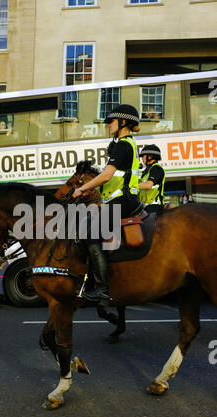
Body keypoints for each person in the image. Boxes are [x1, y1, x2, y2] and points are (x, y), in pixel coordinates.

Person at [72, 104, 141, 306]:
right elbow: (114, 179)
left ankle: (102, 288)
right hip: (122, 199)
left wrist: (82, 189)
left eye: (111, 121)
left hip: (124, 200)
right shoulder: (128, 144)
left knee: (89, 233)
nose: (108, 124)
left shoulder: (123, 144)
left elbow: (107, 176)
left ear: (123, 122)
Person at [138, 144, 165, 214]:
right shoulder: (148, 170)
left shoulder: (156, 168)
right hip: (146, 206)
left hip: (153, 207)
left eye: (143, 156)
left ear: (150, 157)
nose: (142, 159)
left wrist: (132, 186)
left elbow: (148, 185)